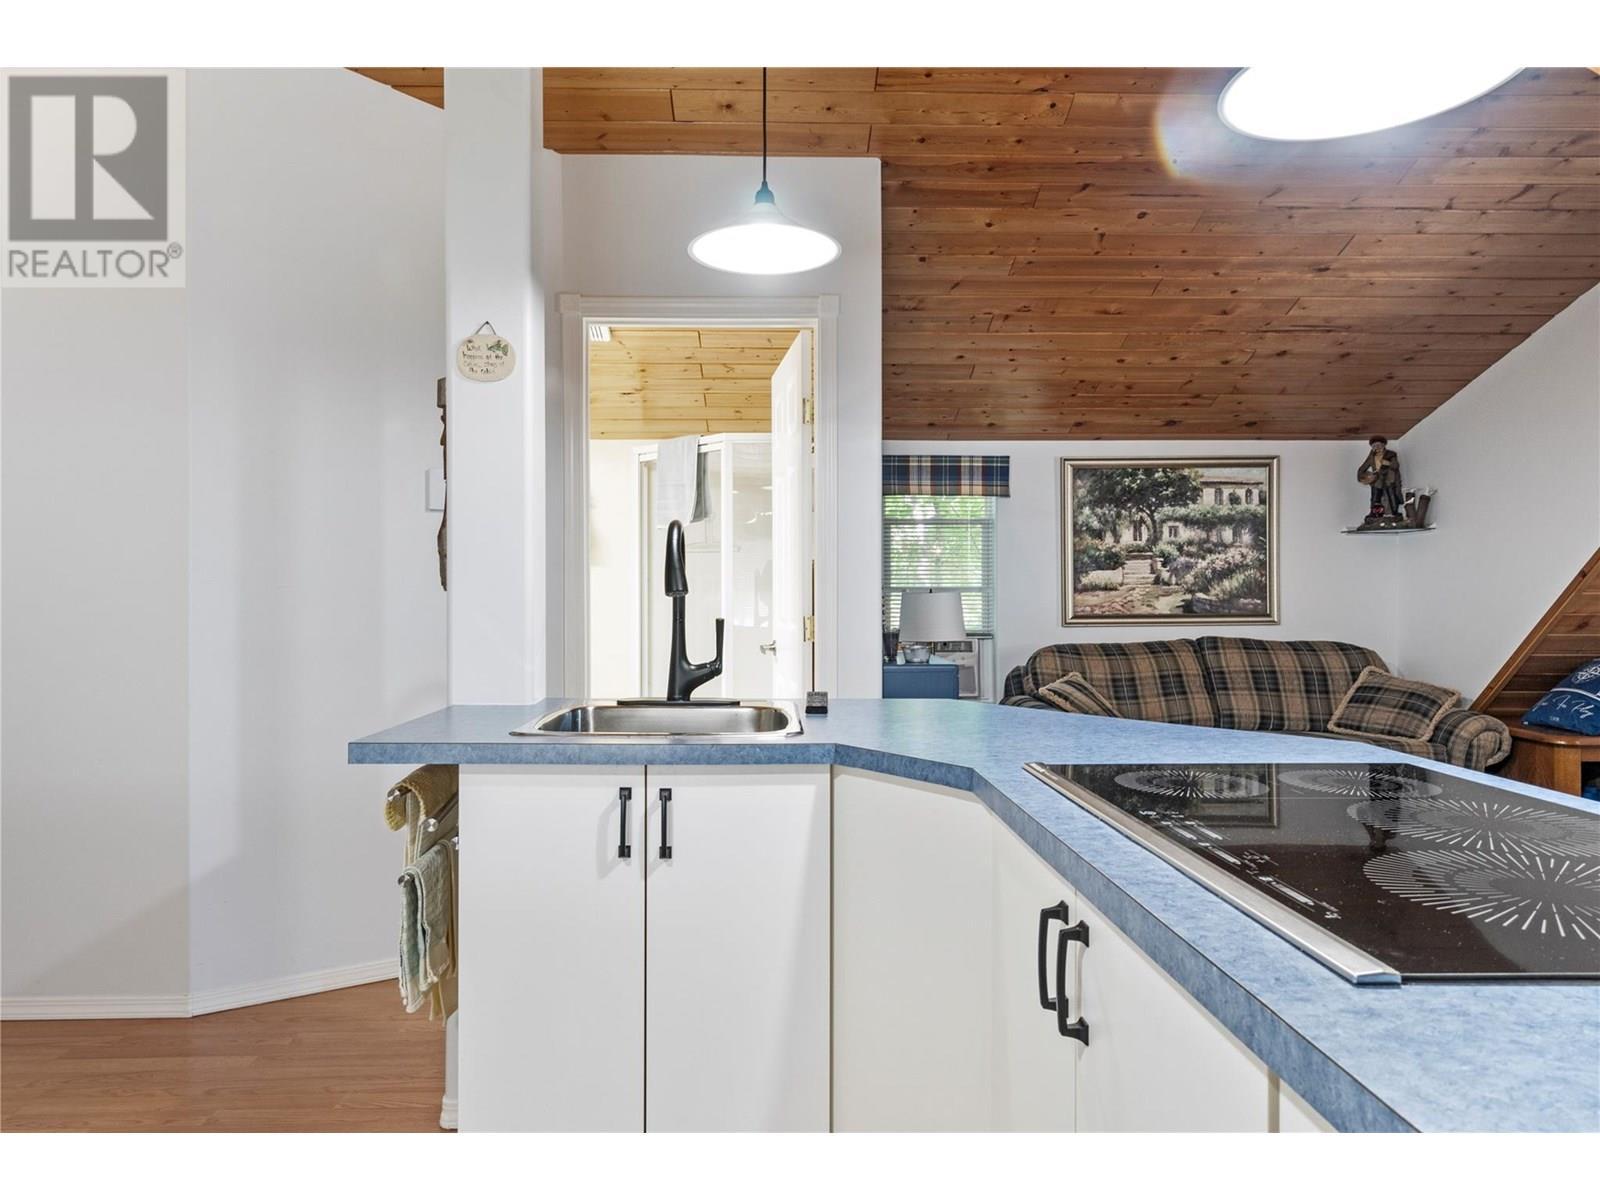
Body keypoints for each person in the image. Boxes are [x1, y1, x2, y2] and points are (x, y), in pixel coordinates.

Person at [1357, 436, 1404, 519]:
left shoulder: (1391, 454)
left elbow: (1396, 465)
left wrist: (1388, 463)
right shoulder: (1371, 456)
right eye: (1374, 446)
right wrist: (1362, 477)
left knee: (1391, 495)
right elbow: (1363, 467)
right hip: (1377, 479)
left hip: (1389, 478)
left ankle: (1394, 512)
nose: (1377, 448)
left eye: (1379, 445)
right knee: (1375, 497)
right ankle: (1375, 513)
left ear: (1383, 445)